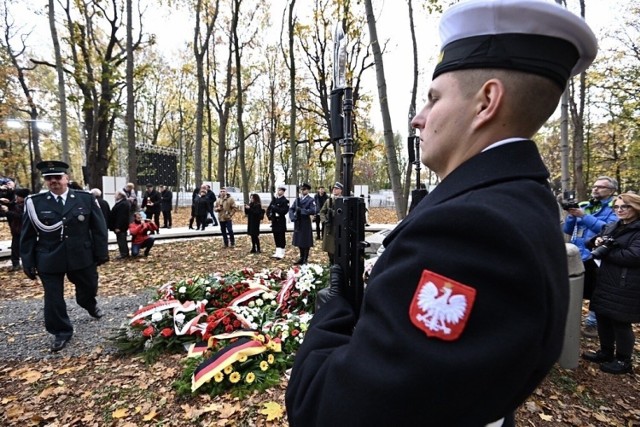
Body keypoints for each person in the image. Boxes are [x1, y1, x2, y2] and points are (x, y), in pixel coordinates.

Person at [285, 1, 598, 425]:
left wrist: (332, 314)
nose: (418, 118)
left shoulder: (471, 231)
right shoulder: (517, 198)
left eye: (433, 99)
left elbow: (329, 411)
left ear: (486, 101)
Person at [20, 161, 109, 352]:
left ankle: (88, 303)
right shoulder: (35, 203)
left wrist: (101, 252)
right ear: (45, 181)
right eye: (49, 178)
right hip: (49, 257)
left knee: (89, 286)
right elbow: (26, 234)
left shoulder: (85, 199)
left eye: (57, 177)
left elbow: (99, 228)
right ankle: (61, 332)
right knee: (53, 298)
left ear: (66, 178)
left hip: (81, 255)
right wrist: (27, 261)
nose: (53, 181)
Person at [582, 193, 640, 375]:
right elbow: (590, 243)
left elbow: (634, 257)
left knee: (620, 322)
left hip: (626, 283)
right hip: (604, 280)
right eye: (616, 207)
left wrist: (607, 252)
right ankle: (605, 352)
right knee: (603, 316)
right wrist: (596, 241)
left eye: (625, 206)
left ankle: (623, 360)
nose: (620, 210)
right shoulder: (613, 226)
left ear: (636, 208)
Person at [563, 176, 618, 338]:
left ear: (611, 191)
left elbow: (608, 229)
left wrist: (583, 216)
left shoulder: (615, 208)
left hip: (597, 256)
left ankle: (592, 324)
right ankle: (570, 320)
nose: (595, 189)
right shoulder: (585, 205)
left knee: (596, 291)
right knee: (573, 289)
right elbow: (567, 229)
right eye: (594, 186)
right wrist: (572, 215)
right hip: (577, 254)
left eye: (601, 187)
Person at [0, 187, 29, 271]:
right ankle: (16, 264)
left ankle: (24, 264)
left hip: (22, 230)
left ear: (22, 197)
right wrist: (7, 203)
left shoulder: (26, 205)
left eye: (18, 196)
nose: (16, 198)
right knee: (15, 248)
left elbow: (20, 216)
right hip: (17, 230)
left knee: (21, 248)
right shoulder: (18, 204)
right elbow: (14, 206)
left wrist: (7, 211)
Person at [288, 183, 316, 265]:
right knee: (299, 241)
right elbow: (291, 209)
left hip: (305, 222)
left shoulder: (311, 200)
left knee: (305, 241)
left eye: (304, 189)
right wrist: (292, 217)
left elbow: (313, 210)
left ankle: (305, 258)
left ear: (308, 190)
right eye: (301, 189)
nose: (302, 191)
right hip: (298, 221)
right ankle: (301, 257)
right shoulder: (297, 200)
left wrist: (302, 211)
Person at [319, 182, 343, 263]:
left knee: (339, 246)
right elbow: (322, 212)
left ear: (341, 190)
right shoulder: (328, 201)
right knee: (329, 246)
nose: (334, 190)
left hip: (339, 226)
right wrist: (325, 221)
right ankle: (331, 261)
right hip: (329, 226)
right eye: (334, 189)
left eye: (336, 189)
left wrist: (333, 212)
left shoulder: (343, 200)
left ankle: (338, 261)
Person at [267, 185, 290, 260]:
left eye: (280, 190)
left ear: (283, 192)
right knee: (276, 236)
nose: (279, 191)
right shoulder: (274, 200)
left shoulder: (285, 201)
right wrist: (269, 216)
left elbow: (283, 211)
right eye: (278, 190)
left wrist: (275, 208)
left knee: (281, 237)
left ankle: (282, 252)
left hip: (280, 221)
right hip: (274, 221)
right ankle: (277, 251)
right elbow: (269, 208)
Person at [109, 190, 131, 259]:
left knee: (121, 239)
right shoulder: (122, 203)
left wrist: (118, 226)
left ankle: (124, 253)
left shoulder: (123, 204)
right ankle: (124, 252)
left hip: (121, 226)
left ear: (120, 195)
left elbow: (121, 216)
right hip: (120, 225)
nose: (114, 196)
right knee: (121, 239)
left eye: (115, 194)